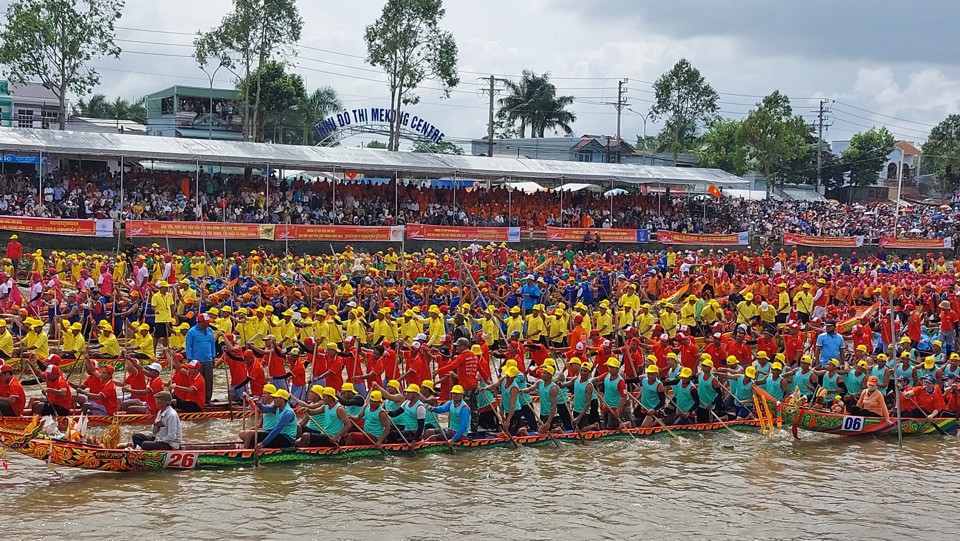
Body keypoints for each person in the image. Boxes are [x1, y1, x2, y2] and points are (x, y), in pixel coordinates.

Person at [186, 313, 217, 403]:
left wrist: (213, 357)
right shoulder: (191, 332)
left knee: (208, 381)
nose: (207, 325)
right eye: (206, 323)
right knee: (196, 381)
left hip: (208, 359)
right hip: (196, 361)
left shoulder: (210, 331)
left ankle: (208, 399)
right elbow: (188, 346)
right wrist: (190, 359)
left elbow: (212, 345)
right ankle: (197, 399)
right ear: (200, 322)